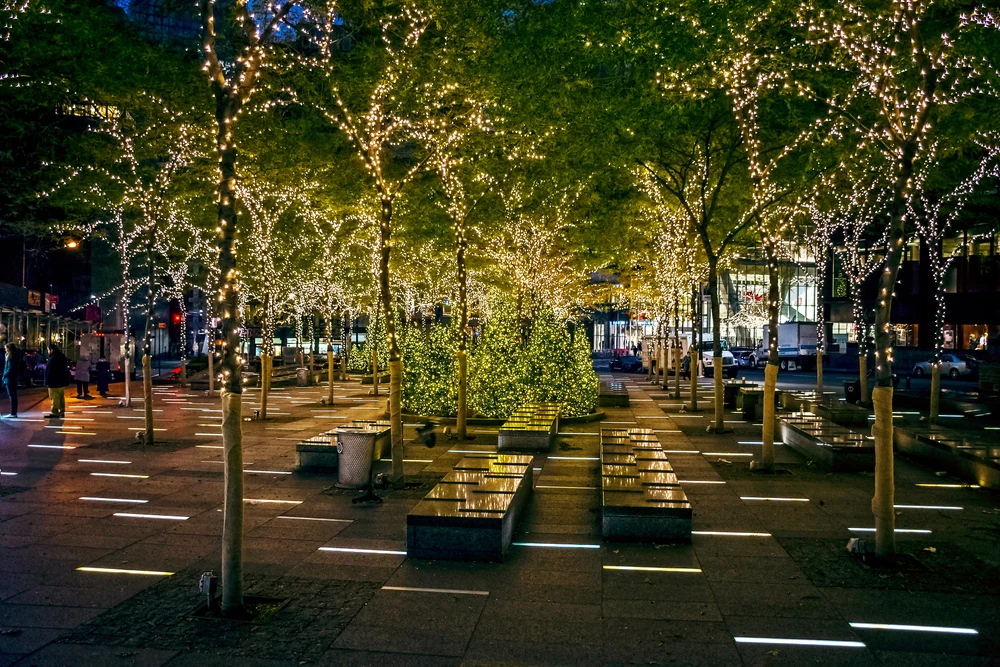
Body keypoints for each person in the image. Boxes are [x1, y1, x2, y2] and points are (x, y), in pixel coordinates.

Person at [44, 343, 70, 418]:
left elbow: (50, 371)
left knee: (55, 397)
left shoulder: (53, 358)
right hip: (61, 381)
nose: (48, 351)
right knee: (61, 396)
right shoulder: (61, 356)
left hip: (54, 381)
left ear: (51, 350)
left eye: (48, 350)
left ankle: (55, 412)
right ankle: (61, 411)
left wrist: (47, 381)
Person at [2, 343, 21, 418]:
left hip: (10, 379)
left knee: (12, 396)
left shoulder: (11, 357)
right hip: (12, 378)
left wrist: (4, 375)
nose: (5, 349)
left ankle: (13, 413)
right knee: (13, 396)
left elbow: (9, 369)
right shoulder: (15, 356)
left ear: (9, 349)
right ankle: (14, 412)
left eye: (6, 348)